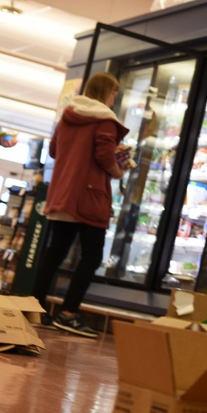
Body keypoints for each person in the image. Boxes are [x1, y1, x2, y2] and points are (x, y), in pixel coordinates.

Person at [32, 72, 128, 338]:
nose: (113, 99)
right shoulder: (105, 121)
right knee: (92, 255)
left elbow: (53, 150)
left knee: (54, 254)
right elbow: (104, 155)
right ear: (107, 93)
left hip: (62, 194)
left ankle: (35, 308)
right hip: (89, 197)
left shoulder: (67, 117)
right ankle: (69, 313)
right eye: (114, 94)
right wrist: (119, 171)